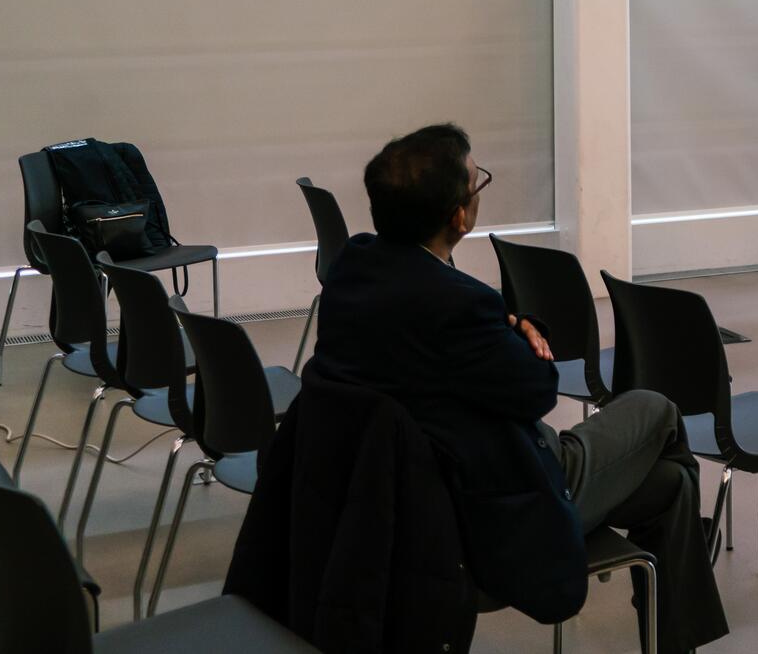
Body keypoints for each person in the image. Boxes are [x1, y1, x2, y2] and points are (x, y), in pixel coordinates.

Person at [306, 123, 728, 653]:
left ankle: (676, 608)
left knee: (669, 485)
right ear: (460, 217)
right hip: (491, 494)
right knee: (657, 410)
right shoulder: (458, 304)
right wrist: (519, 330)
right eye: (476, 183)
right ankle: (679, 597)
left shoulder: (354, 269)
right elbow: (537, 392)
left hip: (396, 493)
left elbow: (432, 345)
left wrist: (502, 325)